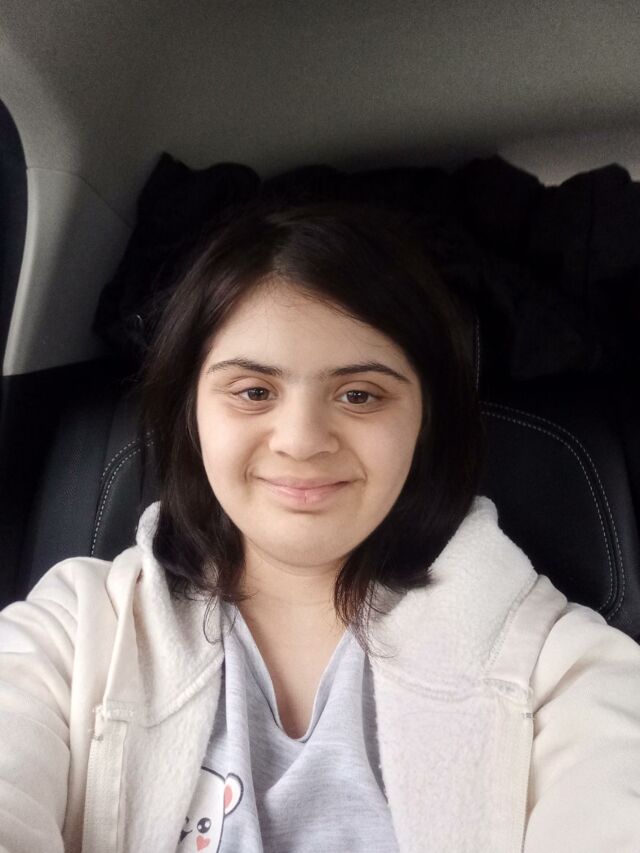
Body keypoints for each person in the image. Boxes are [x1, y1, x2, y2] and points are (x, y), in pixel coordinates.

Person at [0, 201, 639, 853]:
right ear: (191, 412)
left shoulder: (557, 666)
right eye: (253, 391)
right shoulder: (74, 632)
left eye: (359, 395)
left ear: (425, 422)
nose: (302, 441)